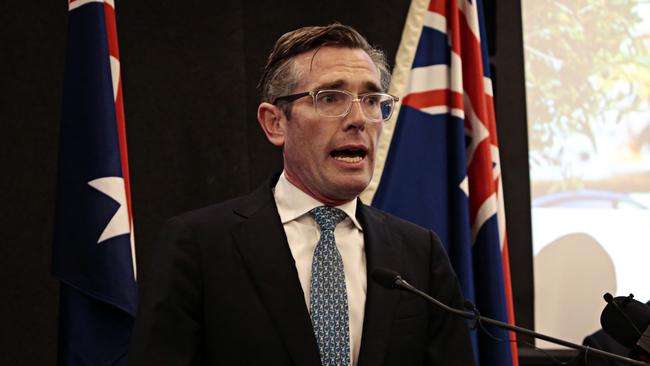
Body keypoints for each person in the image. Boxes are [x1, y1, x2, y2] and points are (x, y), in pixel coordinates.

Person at [129, 23, 475, 366]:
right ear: (275, 123)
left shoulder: (419, 253)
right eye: (329, 98)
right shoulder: (199, 245)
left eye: (371, 100)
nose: (358, 119)